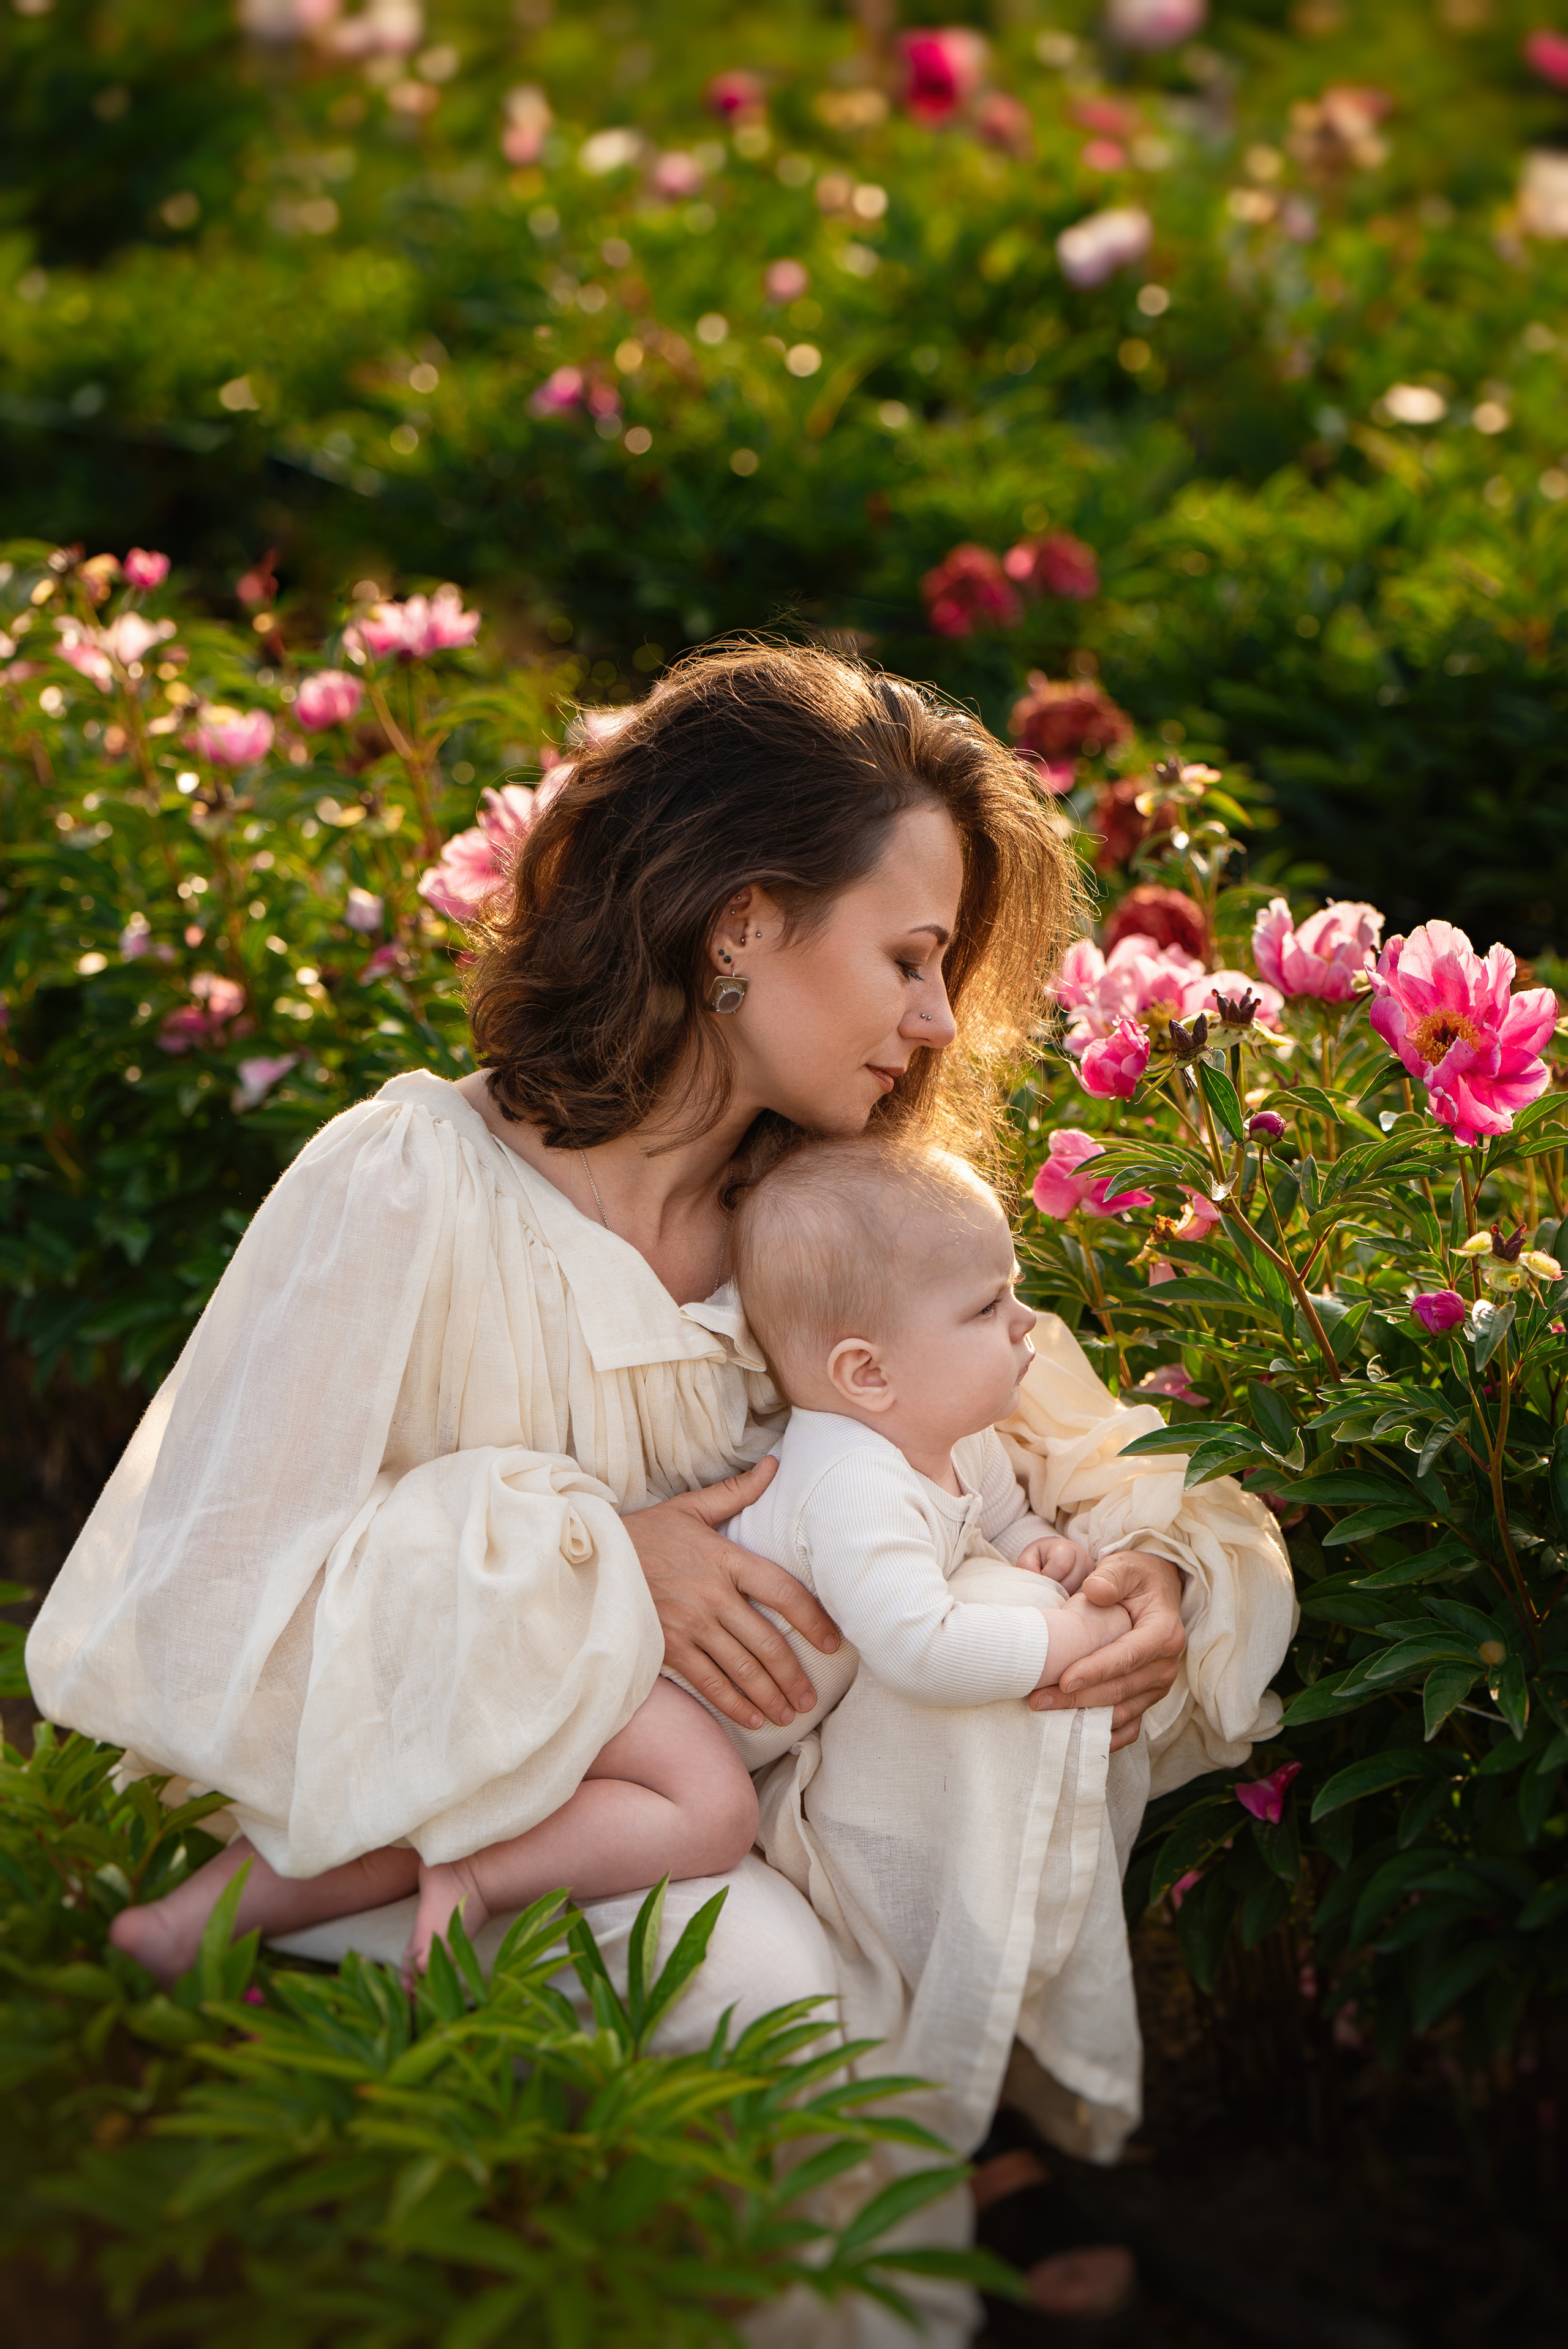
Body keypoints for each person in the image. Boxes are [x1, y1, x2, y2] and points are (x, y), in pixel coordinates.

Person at [26, 644, 1295, 2347]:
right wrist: (590, 1557)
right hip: (434, 1830)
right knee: (779, 2020)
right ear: (743, 922)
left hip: (724, 1833)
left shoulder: (831, 1239)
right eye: (911, 957)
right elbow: (199, 1604)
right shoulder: (411, 1183)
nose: (935, 1019)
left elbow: (1113, 1462)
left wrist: (1163, 1582)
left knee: (811, 2007)